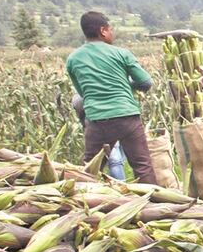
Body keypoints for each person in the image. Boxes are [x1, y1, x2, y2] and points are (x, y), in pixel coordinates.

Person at [66, 11, 157, 184]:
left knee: (90, 171)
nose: (112, 33)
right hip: (127, 117)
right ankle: (157, 206)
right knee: (143, 167)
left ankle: (85, 204)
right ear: (103, 31)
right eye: (110, 29)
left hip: (97, 121)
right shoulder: (121, 54)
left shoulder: (73, 59)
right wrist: (126, 84)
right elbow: (145, 82)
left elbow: (83, 93)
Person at [71, 93, 127, 181]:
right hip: (119, 119)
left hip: (106, 125)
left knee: (116, 160)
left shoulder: (79, 97)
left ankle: (119, 185)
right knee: (116, 161)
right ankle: (120, 184)